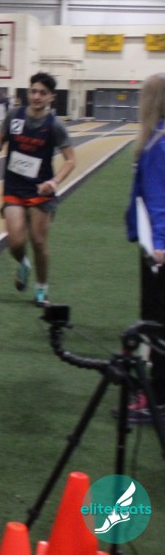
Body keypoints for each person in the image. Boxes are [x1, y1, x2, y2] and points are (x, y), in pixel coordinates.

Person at [0, 71, 76, 306]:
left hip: (40, 190)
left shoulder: (54, 125)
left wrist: (54, 182)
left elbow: (71, 160)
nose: (36, 96)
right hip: (14, 187)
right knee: (15, 242)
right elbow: (1, 137)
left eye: (42, 93)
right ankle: (23, 263)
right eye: (33, 91)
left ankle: (42, 290)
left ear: (51, 97)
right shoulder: (14, 115)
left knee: (39, 242)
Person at [124, 72, 165, 424]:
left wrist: (161, 244)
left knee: (156, 321)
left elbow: (158, 200)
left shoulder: (157, 144)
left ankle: (157, 399)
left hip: (158, 248)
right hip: (156, 242)